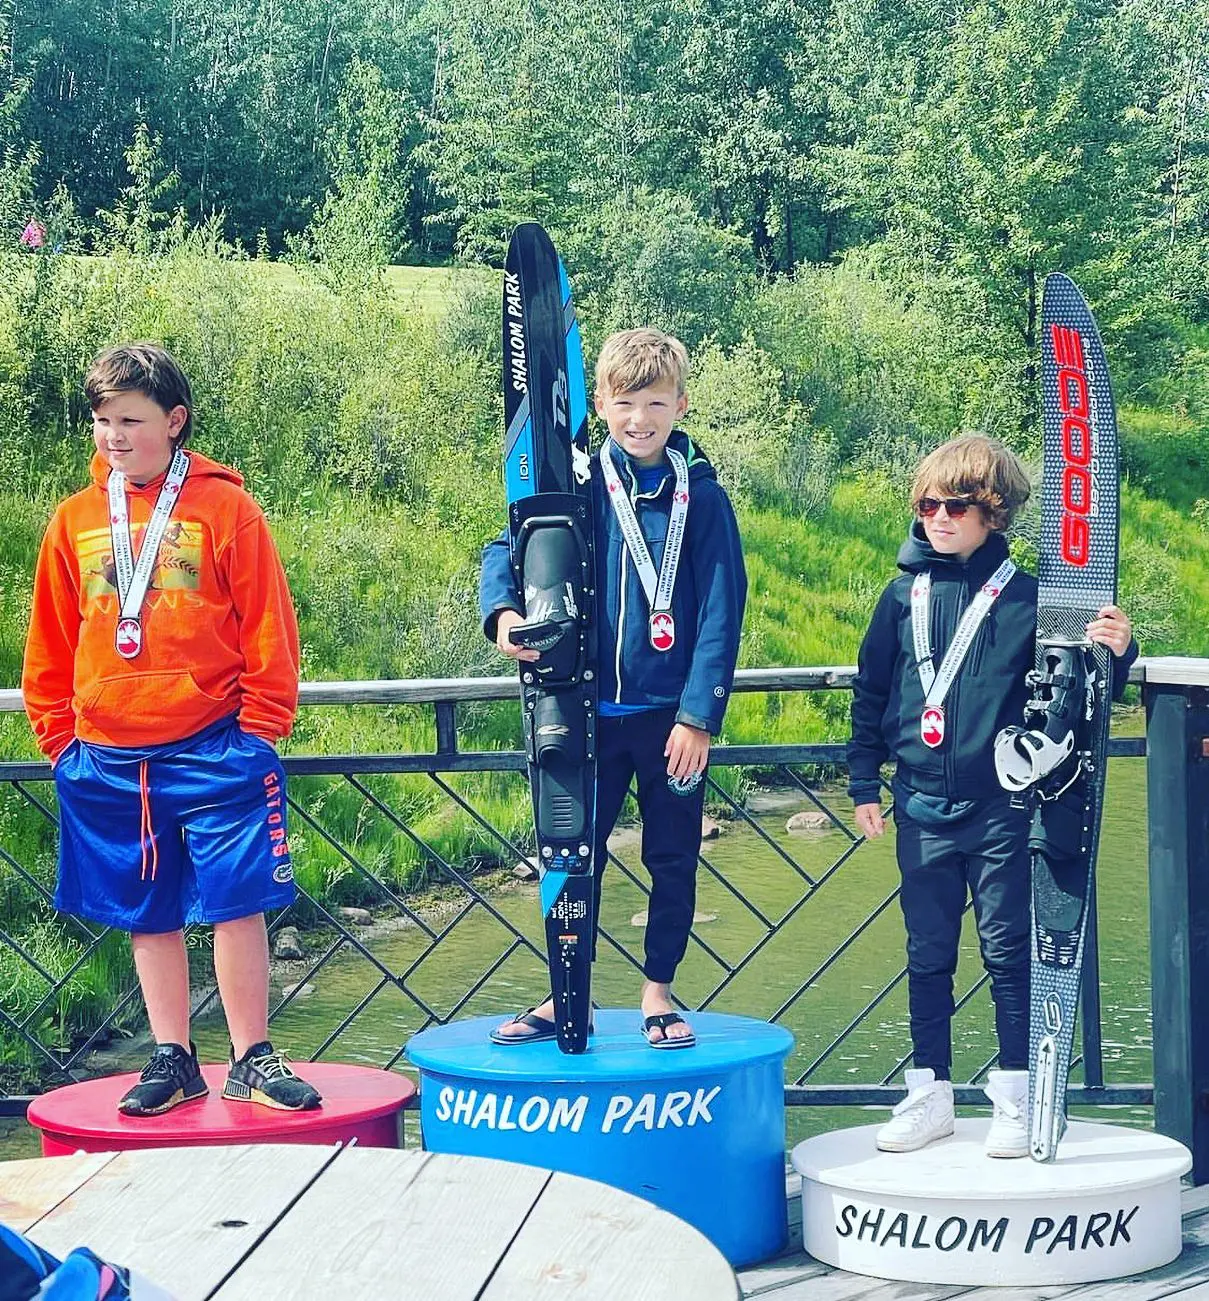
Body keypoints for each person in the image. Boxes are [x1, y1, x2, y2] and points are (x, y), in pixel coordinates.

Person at [22, 342, 321, 1116]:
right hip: (110, 754)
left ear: (174, 421)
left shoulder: (226, 508)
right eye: (101, 419)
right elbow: (50, 637)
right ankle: (173, 1054)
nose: (113, 435)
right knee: (144, 909)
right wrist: (59, 738)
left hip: (215, 742)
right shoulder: (76, 519)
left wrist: (259, 731)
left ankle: (251, 1054)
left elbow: (268, 627)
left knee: (236, 900)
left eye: (130, 419)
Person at [847, 434, 1135, 1157]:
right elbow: (870, 693)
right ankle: (928, 1093)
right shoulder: (898, 594)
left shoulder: (1036, 601)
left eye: (954, 505)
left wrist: (1119, 648)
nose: (936, 517)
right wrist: (861, 783)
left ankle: (1012, 1093)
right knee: (926, 952)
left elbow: (1086, 699)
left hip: (1003, 807)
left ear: (993, 511)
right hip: (916, 800)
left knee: (1007, 951)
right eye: (926, 504)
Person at [480, 327, 747, 1047]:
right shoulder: (571, 484)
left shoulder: (705, 499)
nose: (640, 419)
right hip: (582, 713)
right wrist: (501, 612)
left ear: (681, 404)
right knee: (571, 857)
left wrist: (699, 716)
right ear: (599, 402)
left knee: (671, 857)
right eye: (625, 402)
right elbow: (505, 546)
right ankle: (568, 996)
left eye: (655, 403)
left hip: (669, 723)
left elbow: (723, 609)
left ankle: (659, 992)